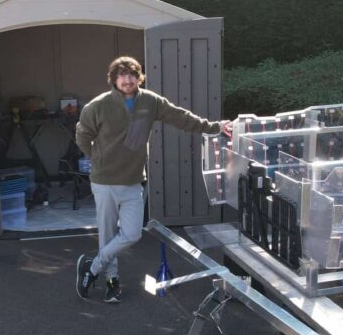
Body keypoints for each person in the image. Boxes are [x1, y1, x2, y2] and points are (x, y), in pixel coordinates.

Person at [74, 56, 231, 303]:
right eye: (122, 75)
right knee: (107, 234)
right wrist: (98, 158)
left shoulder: (150, 101)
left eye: (132, 75)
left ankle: (92, 267)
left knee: (132, 234)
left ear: (139, 78)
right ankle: (112, 281)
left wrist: (214, 127)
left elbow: (181, 117)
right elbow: (82, 135)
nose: (127, 80)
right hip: (104, 181)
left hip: (133, 180)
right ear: (113, 79)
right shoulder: (98, 105)